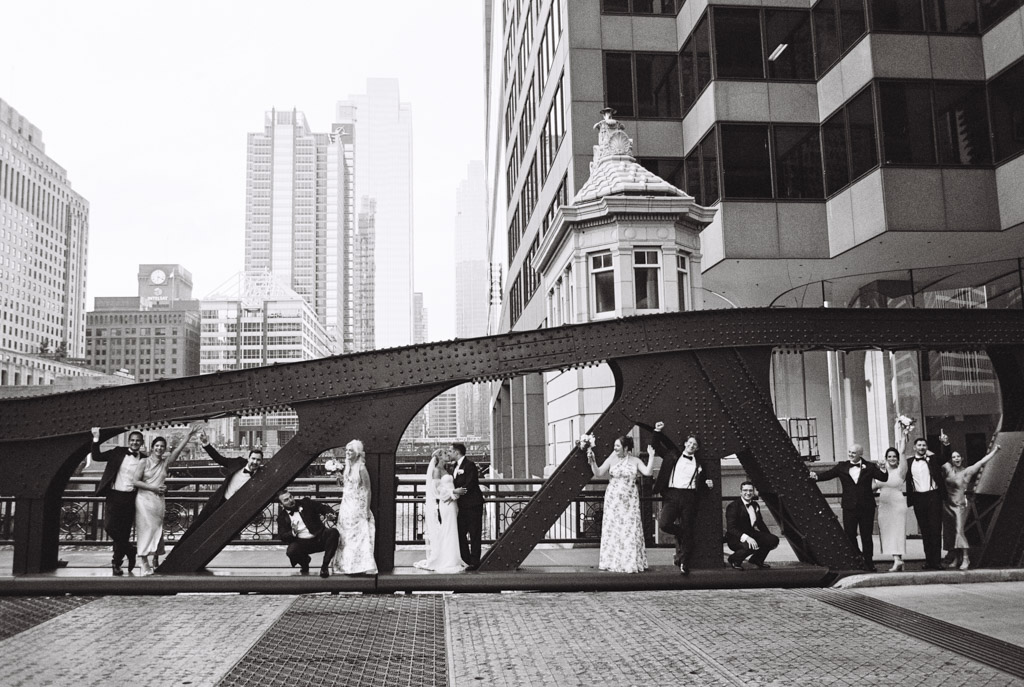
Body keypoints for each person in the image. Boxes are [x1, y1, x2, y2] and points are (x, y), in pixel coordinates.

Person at [132, 423, 202, 575]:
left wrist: (188, 436)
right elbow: (135, 481)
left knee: (156, 530)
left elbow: (177, 451)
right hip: (144, 500)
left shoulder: (165, 463)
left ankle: (153, 559)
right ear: (152, 447)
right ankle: (143, 561)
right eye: (157, 446)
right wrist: (154, 488)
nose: (159, 448)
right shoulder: (144, 462)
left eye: (162, 446)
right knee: (146, 529)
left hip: (158, 501)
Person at [810, 444, 888, 571]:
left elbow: (883, 477)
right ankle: (857, 557)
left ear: (860, 454)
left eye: (853, 453)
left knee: (866, 536)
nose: (850, 454)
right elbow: (828, 474)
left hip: (867, 507)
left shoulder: (869, 466)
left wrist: (883, 468)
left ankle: (869, 562)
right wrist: (816, 477)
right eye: (850, 452)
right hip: (849, 507)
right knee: (850, 534)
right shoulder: (842, 466)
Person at [650, 422, 713, 575]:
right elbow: (656, 446)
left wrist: (708, 484)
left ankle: (684, 562)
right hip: (672, 494)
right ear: (685, 444)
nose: (691, 446)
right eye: (690, 443)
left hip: (689, 496)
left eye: (694, 445)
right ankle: (681, 532)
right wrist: (657, 431)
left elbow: (702, 484)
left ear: (696, 448)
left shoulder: (700, 463)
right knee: (664, 524)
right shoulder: (672, 455)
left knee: (689, 530)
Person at [177, 433, 264, 542]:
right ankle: (181, 547)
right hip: (218, 501)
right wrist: (206, 443)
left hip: (232, 510)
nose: (255, 462)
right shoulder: (237, 462)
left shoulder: (261, 476)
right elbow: (219, 459)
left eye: (258, 460)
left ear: (261, 462)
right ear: (248, 458)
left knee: (214, 536)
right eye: (253, 459)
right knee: (197, 526)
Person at [588, 435, 655, 573]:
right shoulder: (612, 459)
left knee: (629, 528)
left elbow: (647, 472)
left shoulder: (635, 461)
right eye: (615, 446)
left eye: (618, 446)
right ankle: (612, 561)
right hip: (613, 499)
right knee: (614, 528)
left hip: (630, 500)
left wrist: (652, 456)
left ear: (626, 448)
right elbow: (599, 472)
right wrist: (592, 461)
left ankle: (630, 562)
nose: (615, 448)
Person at [90, 427, 146, 575]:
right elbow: (96, 456)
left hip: (130, 498)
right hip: (114, 495)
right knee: (109, 527)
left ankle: (117, 563)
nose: (135, 443)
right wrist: (96, 438)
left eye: (138, 441)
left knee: (124, 531)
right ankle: (130, 549)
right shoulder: (117, 452)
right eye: (132, 440)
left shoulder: (144, 459)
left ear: (141, 443)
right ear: (129, 442)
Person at [942, 442, 1000, 570]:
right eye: (954, 457)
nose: (956, 459)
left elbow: (981, 462)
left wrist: (994, 452)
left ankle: (966, 558)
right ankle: (957, 558)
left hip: (959, 505)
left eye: (958, 456)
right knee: (951, 533)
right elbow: (936, 458)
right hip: (947, 505)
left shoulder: (967, 471)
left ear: (962, 458)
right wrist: (945, 443)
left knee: (959, 531)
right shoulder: (947, 469)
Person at [414, 448, 468, 573]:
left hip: (453, 502)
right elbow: (437, 490)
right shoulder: (437, 471)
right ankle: (447, 559)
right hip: (446, 503)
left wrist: (455, 494)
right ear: (439, 457)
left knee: (452, 529)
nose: (448, 454)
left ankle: (453, 557)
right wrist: (454, 492)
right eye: (445, 453)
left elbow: (448, 485)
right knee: (448, 528)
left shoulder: (447, 469)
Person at [906, 432, 952, 570]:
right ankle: (928, 561)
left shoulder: (933, 459)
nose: (921, 447)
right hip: (918, 498)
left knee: (935, 529)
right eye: (919, 445)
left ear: (926, 447)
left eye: (924, 445)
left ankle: (937, 561)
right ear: (914, 447)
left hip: (934, 496)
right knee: (925, 531)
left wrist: (946, 444)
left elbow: (945, 457)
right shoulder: (909, 462)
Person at [331, 439, 377, 575]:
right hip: (346, 505)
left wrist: (366, 509)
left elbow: (368, 489)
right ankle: (345, 565)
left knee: (358, 536)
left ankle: (360, 566)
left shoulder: (361, 468)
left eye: (350, 450)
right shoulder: (347, 467)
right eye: (346, 450)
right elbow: (346, 486)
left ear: (357, 453)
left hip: (358, 505)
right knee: (345, 535)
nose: (347, 453)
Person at [276, 489, 340, 578]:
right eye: (286, 500)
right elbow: (282, 536)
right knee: (291, 551)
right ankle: (304, 563)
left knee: (333, 532)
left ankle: (325, 566)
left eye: (290, 497)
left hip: (319, 538)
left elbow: (322, 507)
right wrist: (293, 532)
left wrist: (329, 513)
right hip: (302, 543)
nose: (290, 500)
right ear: (281, 504)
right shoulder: (282, 517)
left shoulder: (306, 502)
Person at [724, 481, 779, 570]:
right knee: (750, 546)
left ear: (753, 492)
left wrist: (768, 537)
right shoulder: (733, 506)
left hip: (751, 533)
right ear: (740, 492)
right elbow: (731, 528)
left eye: (750, 490)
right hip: (735, 537)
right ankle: (734, 559)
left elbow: (760, 522)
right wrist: (748, 538)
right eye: (745, 490)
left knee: (773, 540)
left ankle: (757, 560)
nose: (748, 493)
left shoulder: (755, 505)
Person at [873, 446, 909, 572]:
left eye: (894, 456)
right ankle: (898, 559)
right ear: (886, 458)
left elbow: (903, 452)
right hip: (884, 504)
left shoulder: (901, 470)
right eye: (889, 456)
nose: (892, 458)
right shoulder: (881, 472)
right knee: (887, 532)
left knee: (897, 531)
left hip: (897, 503)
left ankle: (897, 559)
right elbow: (873, 486)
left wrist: (904, 436)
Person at [450, 442, 484, 570]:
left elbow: (471, 483)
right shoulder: (454, 467)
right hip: (462, 506)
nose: (450, 453)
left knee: (475, 533)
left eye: (451, 451)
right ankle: (466, 559)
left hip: (473, 504)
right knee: (460, 532)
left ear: (457, 452)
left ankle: (475, 562)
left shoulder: (469, 465)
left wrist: (459, 491)